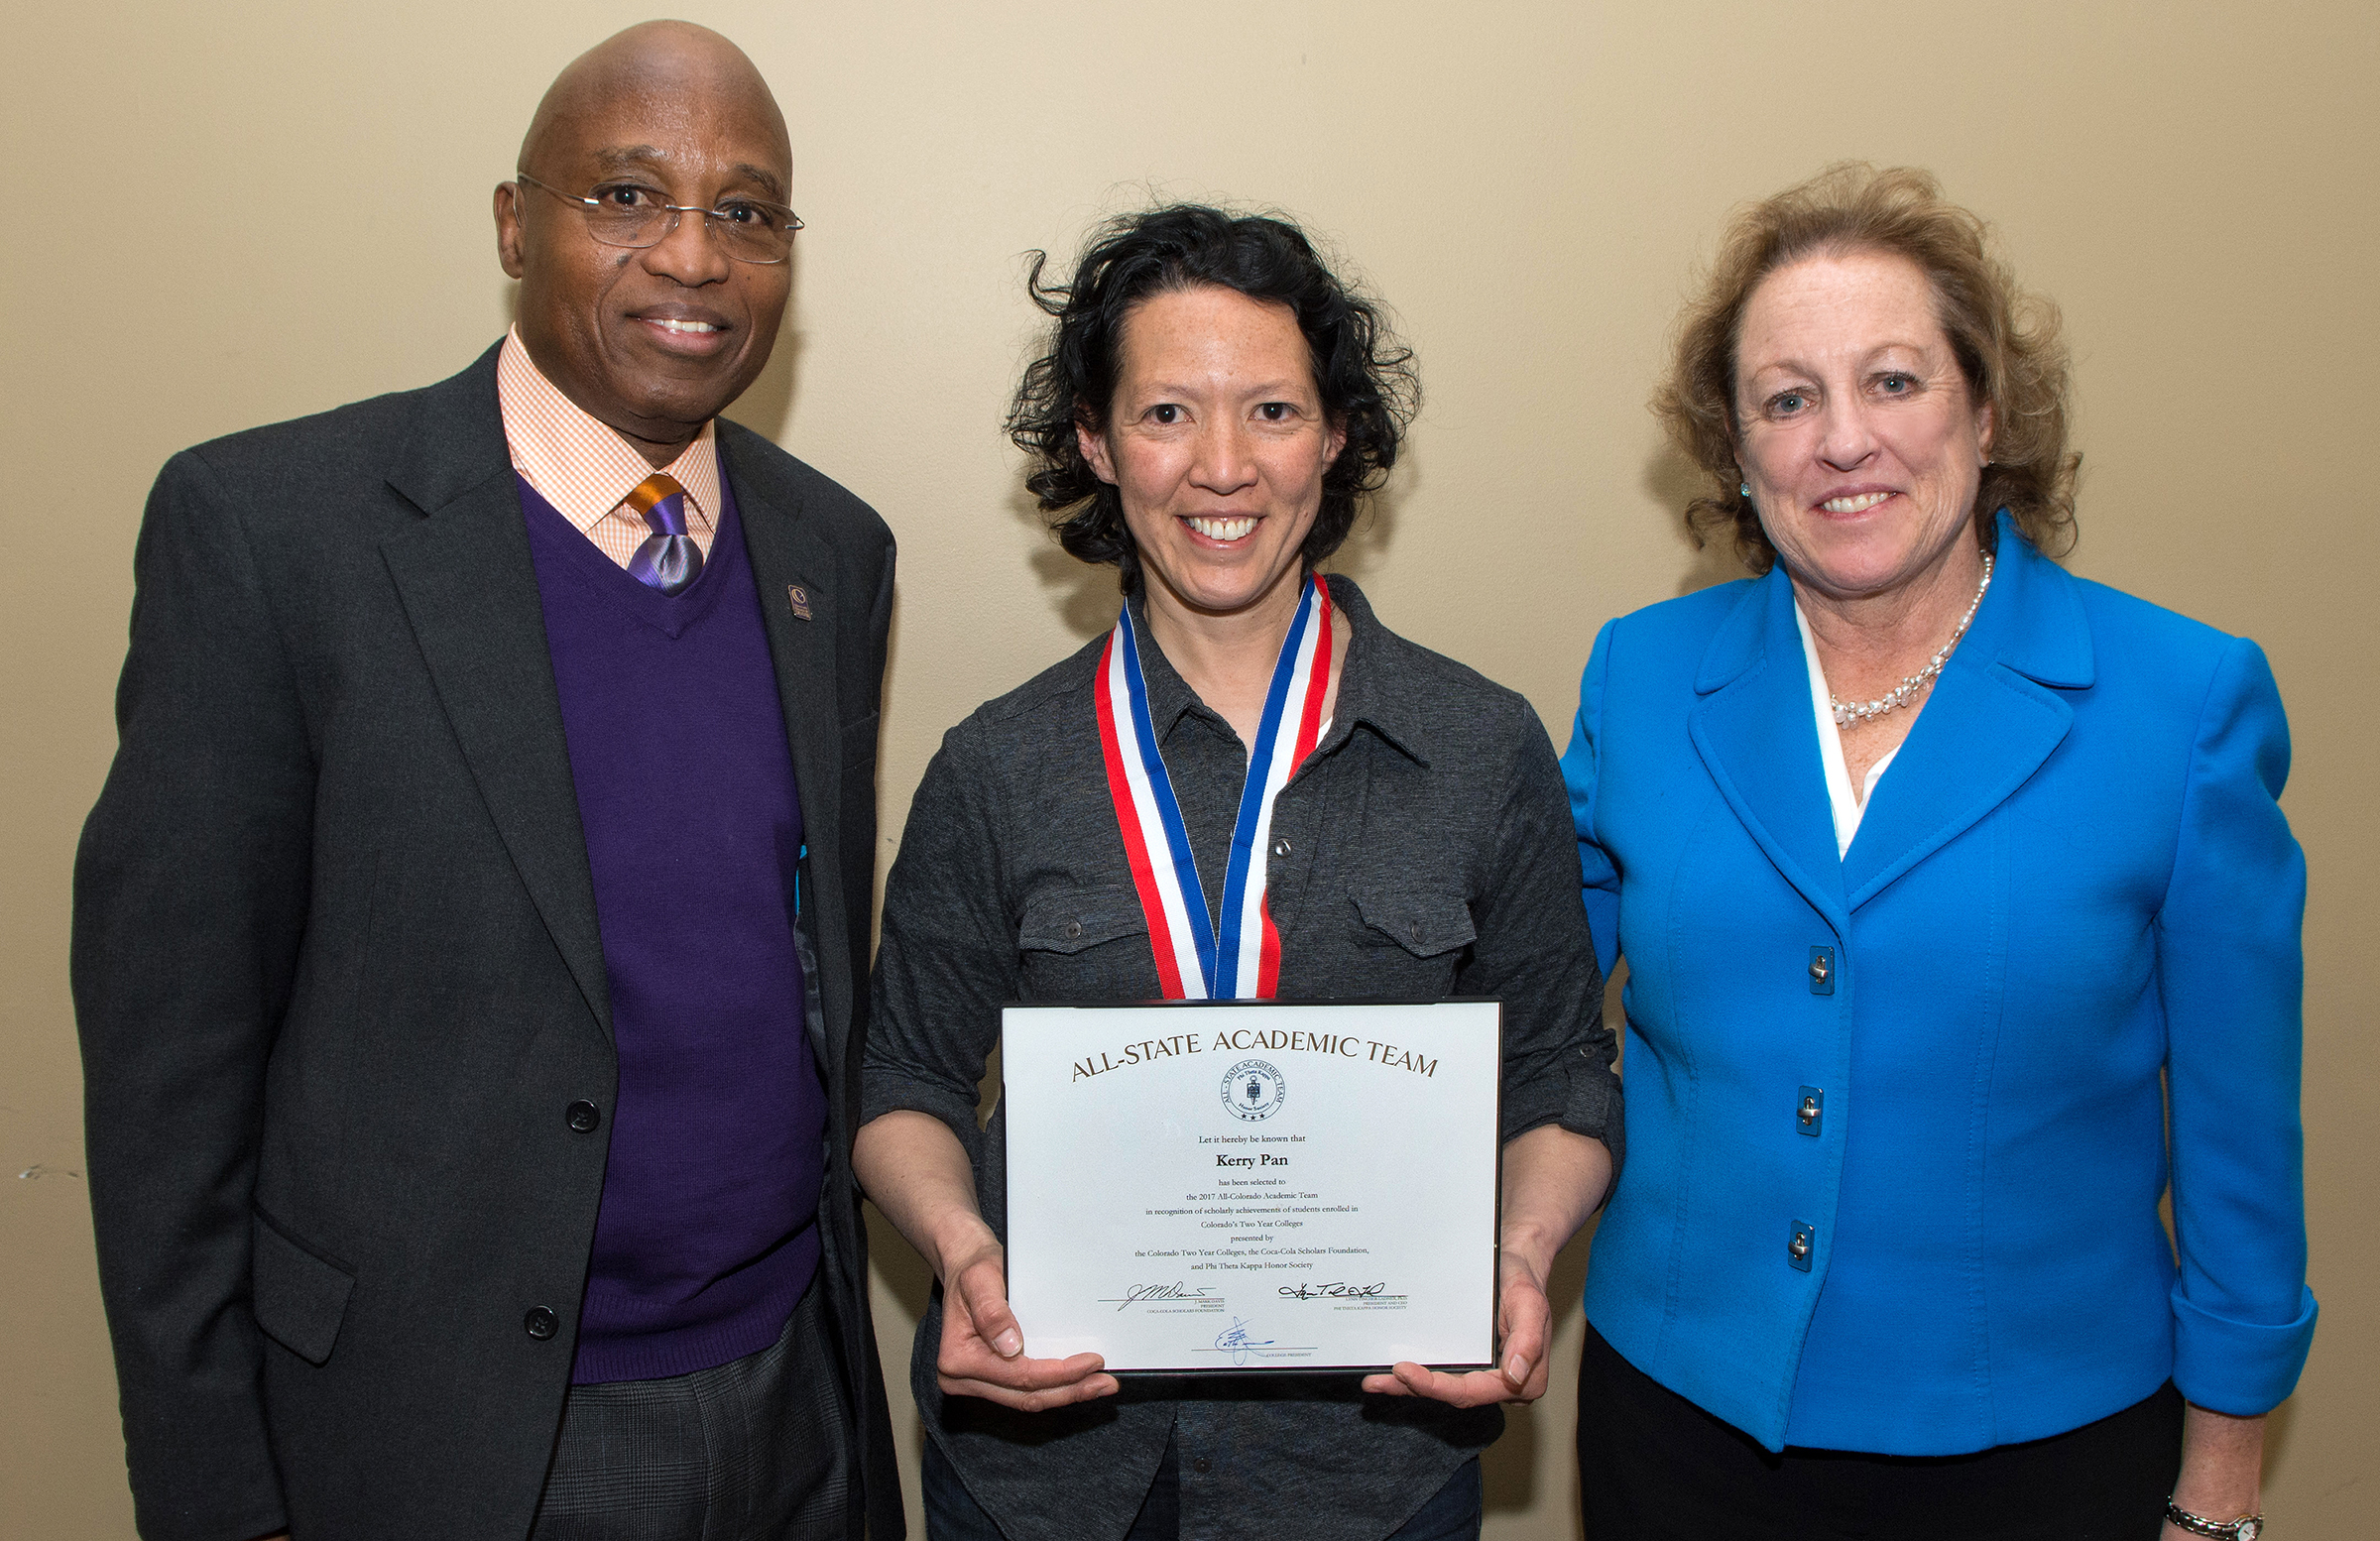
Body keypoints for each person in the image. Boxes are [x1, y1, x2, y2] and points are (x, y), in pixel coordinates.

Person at [71, 22, 901, 1541]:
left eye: (747, 211)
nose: (695, 256)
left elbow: (809, 977)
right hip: (445, 1431)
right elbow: (166, 1086)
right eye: (627, 196)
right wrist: (217, 1498)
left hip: (796, 1397)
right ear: (516, 223)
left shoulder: (832, 554)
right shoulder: (276, 534)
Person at [1561, 163, 2315, 1540]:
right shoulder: (1641, 679)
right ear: (1736, 449)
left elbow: (2238, 1142)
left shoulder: (2184, 705)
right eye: (1788, 399)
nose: (1844, 440)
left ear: (1985, 406)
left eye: (1896, 382)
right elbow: (1524, 1013)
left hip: (2041, 1455)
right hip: (1675, 1432)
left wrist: (2219, 1488)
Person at [854, 204, 1622, 1541]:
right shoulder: (997, 764)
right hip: (1051, 1475)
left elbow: (1562, 1070)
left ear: (1334, 436)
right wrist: (963, 1251)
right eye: (1165, 414)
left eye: (1271, 410)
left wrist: (1521, 1251)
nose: (1223, 468)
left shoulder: (1481, 747)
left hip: (1370, 1475)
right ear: (1094, 439)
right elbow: (903, 1080)